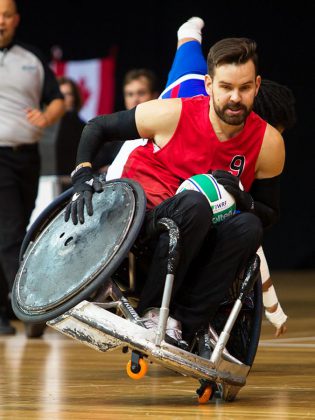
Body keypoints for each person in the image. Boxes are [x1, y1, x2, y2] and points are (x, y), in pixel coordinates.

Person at [65, 30, 285, 349]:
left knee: (248, 225)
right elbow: (98, 127)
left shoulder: (268, 143)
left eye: (244, 87)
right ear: (209, 85)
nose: (235, 97)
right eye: (225, 87)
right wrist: (82, 175)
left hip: (202, 241)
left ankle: (187, 324)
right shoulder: (174, 112)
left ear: (257, 86)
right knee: (194, 204)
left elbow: (269, 214)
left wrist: (244, 198)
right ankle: (154, 312)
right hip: (147, 231)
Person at [0, 0, 65, 334]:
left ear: (16, 20)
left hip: (27, 156)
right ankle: (32, 308)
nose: (1, 21)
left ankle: (4, 310)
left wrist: (47, 115)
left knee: (19, 231)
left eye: (6, 15)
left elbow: (57, 99)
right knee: (10, 233)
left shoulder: (32, 58)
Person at [94, 68, 159, 176]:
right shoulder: (113, 135)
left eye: (141, 93)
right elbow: (96, 168)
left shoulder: (165, 128)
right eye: (130, 94)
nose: (135, 99)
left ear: (154, 95)